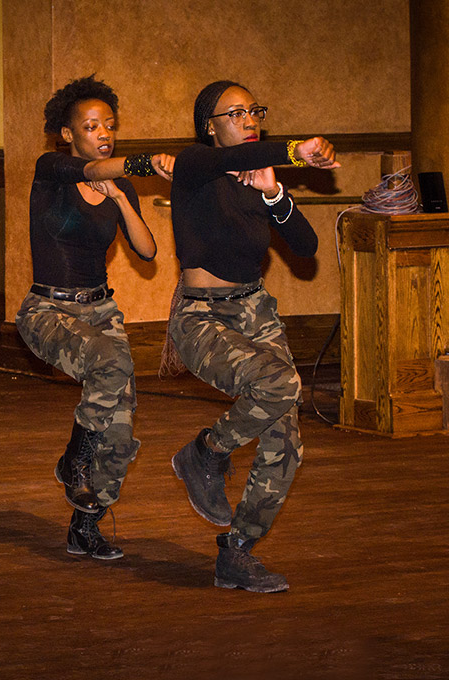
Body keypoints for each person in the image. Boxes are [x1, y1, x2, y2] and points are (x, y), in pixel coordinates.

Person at [166, 80, 337, 592]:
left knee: (286, 439)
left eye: (253, 110)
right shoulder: (194, 167)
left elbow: (305, 248)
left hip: (255, 309)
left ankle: (237, 550)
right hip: (202, 317)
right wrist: (295, 150)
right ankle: (208, 452)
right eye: (233, 112)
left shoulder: (258, 176)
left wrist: (275, 191)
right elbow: (223, 161)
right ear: (209, 126)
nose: (247, 118)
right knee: (283, 385)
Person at [15, 76, 173, 559]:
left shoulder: (118, 183)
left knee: (120, 433)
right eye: (91, 125)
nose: (103, 132)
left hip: (100, 309)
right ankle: (72, 461)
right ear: (68, 134)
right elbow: (86, 168)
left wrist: (122, 196)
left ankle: (86, 525)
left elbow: (146, 252)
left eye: (109, 124)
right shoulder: (52, 169)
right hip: (47, 308)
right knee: (111, 363)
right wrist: (148, 163)